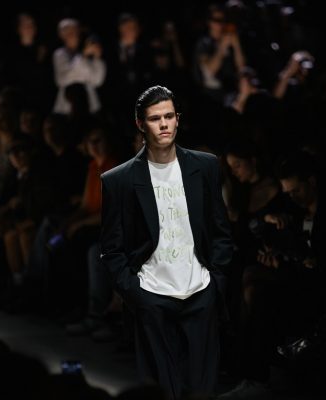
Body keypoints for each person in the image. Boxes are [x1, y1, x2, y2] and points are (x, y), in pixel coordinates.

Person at [100, 85, 233, 400]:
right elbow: (112, 247)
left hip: (201, 290)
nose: (163, 124)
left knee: (203, 390)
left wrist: (217, 280)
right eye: (155, 118)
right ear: (140, 123)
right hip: (152, 295)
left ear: (178, 119)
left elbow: (220, 229)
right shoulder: (118, 180)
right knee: (163, 391)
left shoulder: (205, 166)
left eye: (169, 116)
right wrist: (134, 292)